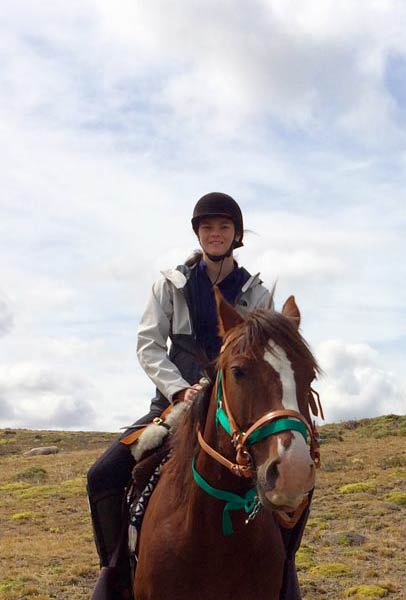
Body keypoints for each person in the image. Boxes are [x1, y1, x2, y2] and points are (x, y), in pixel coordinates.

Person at [85, 192, 308, 600]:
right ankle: (114, 571)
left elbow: (265, 358)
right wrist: (178, 389)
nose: (215, 233)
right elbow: (149, 345)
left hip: (237, 404)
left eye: (224, 227)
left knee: (298, 478)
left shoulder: (256, 294)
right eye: (208, 227)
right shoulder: (170, 285)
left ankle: (285, 569)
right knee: (103, 475)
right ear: (198, 233)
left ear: (236, 235)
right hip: (173, 404)